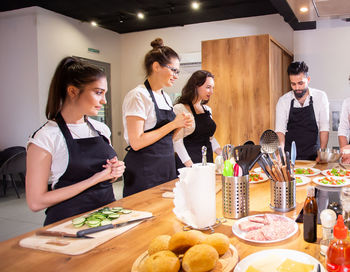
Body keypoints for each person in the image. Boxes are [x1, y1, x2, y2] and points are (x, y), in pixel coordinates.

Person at [26, 57, 125, 225]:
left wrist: (113, 173)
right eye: (98, 92)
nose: (104, 101)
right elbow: (36, 202)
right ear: (72, 91)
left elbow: (105, 178)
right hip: (67, 225)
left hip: (107, 216)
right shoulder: (46, 137)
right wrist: (95, 179)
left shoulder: (101, 129)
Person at [122, 38, 192, 197]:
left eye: (177, 72)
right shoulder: (138, 96)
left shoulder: (166, 97)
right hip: (144, 168)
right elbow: (137, 142)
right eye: (173, 70)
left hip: (166, 166)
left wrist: (179, 126)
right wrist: (173, 124)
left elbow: (168, 138)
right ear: (156, 66)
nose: (176, 76)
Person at [275, 61, 329, 160]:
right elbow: (280, 131)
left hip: (314, 156)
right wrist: (281, 151)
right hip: (289, 157)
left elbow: (324, 128)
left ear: (308, 79)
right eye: (293, 84)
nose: (297, 88)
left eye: (300, 83)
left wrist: (322, 152)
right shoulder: (283, 101)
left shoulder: (320, 97)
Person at [173, 70, 222, 169]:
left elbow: (210, 138)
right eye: (208, 87)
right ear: (196, 86)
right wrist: (191, 167)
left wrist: (223, 155)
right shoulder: (180, 108)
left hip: (207, 163)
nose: (211, 92)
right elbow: (177, 142)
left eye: (212, 88)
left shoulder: (207, 110)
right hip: (188, 165)